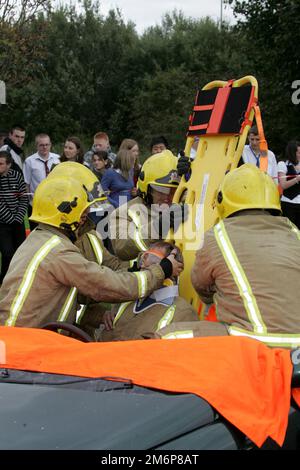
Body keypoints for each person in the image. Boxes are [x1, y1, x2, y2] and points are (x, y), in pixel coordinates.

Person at [0, 172, 183, 328]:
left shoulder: (39, 239)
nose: (86, 220)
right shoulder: (60, 253)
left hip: (16, 337)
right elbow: (106, 285)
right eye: (83, 214)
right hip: (24, 349)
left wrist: (136, 268)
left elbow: (93, 282)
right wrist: (163, 269)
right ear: (66, 215)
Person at [156, 164, 300, 349]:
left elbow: (201, 287)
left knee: (165, 336)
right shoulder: (293, 231)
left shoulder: (217, 236)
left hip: (253, 341)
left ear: (223, 200)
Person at [101, 241, 199, 341]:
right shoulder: (128, 299)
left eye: (150, 258)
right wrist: (103, 315)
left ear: (173, 267)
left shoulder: (184, 312)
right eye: (143, 257)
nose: (142, 263)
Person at [109, 150, 187, 261]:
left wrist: (191, 177)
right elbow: (122, 249)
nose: (167, 196)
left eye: (173, 190)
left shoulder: (182, 206)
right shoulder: (122, 213)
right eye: (161, 189)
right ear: (146, 189)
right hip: (141, 275)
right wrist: (157, 227)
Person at [0, 151, 28, 283]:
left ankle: (18, 279)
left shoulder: (17, 176)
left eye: (0, 163)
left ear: (9, 165)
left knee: (20, 252)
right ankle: (5, 279)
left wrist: (18, 216)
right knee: (7, 253)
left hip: (18, 222)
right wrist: (11, 218)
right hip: (3, 224)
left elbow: (24, 197)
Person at [23, 133, 60, 229]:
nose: (44, 147)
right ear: (36, 146)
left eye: (47, 144)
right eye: (41, 145)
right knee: (37, 232)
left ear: (50, 145)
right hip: (36, 204)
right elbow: (26, 183)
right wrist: (30, 201)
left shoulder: (58, 159)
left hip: (54, 203)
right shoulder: (29, 161)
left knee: (54, 230)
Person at [278, 140, 300, 229]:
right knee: (290, 231)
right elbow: (283, 185)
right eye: (299, 152)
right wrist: (297, 179)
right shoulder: (282, 164)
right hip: (288, 203)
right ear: (292, 153)